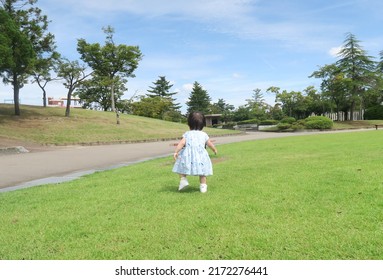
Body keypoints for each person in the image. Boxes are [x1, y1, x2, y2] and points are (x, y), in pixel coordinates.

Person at [172, 112, 218, 193]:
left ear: (189, 123)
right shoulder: (204, 134)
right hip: (201, 155)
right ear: (203, 124)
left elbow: (181, 143)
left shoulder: (187, 134)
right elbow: (209, 143)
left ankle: (183, 180)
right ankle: (203, 186)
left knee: (181, 167)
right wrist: (214, 149)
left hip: (187, 155)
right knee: (202, 171)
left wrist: (176, 152)